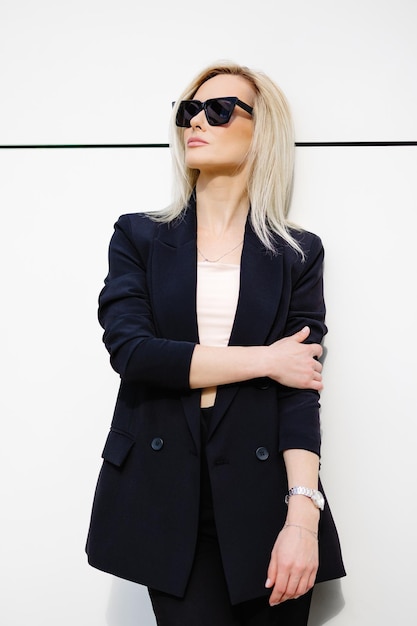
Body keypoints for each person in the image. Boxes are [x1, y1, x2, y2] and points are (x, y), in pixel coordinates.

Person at [86, 60, 345, 625]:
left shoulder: (298, 253)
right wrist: (266, 359)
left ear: (263, 130)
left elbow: (299, 390)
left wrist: (301, 518)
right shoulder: (139, 236)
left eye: (220, 109)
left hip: (263, 495)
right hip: (165, 492)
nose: (196, 121)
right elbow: (133, 353)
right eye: (188, 110)